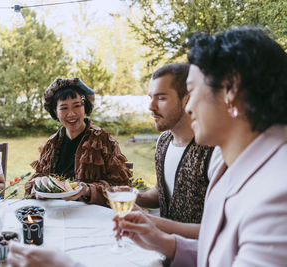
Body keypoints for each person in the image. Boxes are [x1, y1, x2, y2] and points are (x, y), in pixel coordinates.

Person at [116, 26, 287, 266]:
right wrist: (164, 243)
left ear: (230, 89)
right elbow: (225, 256)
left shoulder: (278, 195)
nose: (188, 107)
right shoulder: (233, 166)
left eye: (193, 91)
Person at [136, 63, 223, 238]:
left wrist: (149, 221)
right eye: (150, 97)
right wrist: (130, 196)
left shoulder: (214, 151)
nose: (151, 106)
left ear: (187, 99)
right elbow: (162, 192)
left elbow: (220, 231)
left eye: (161, 98)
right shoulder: (163, 141)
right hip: (163, 253)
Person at [25, 77, 131, 206]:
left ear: (85, 107)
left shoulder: (102, 141)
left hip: (91, 214)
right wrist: (38, 186)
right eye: (64, 108)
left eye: (77, 106)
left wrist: (88, 190)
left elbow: (121, 186)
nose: (71, 113)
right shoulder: (51, 144)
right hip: (56, 212)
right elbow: (38, 178)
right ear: (55, 112)